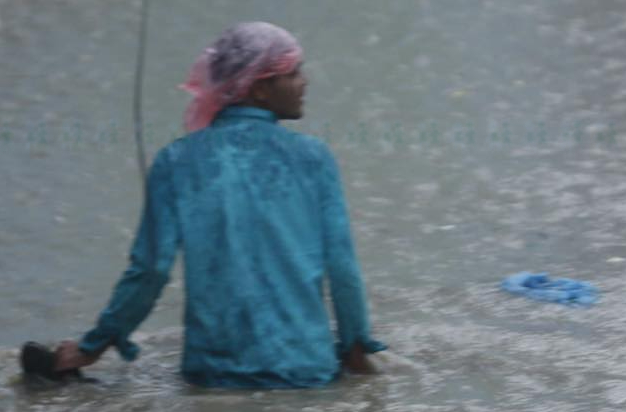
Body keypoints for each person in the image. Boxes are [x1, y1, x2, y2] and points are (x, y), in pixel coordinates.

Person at [50, 21, 387, 387]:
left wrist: (93, 346)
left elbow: (150, 270)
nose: (304, 82)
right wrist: (356, 348)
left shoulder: (176, 161)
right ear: (259, 88)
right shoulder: (314, 159)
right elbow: (342, 269)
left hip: (213, 374)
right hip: (306, 370)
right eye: (294, 73)